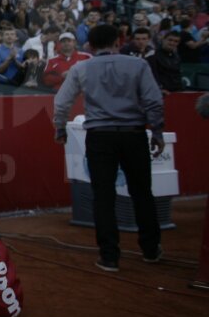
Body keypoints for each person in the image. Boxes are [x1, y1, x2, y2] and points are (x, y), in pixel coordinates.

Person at [53, 23, 164, 272]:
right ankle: (150, 248)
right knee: (142, 192)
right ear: (118, 42)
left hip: (100, 135)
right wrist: (157, 131)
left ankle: (109, 256)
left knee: (103, 196)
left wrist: (60, 129)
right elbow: (154, 101)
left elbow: (62, 103)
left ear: (90, 46)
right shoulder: (138, 65)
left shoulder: (81, 68)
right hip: (133, 133)